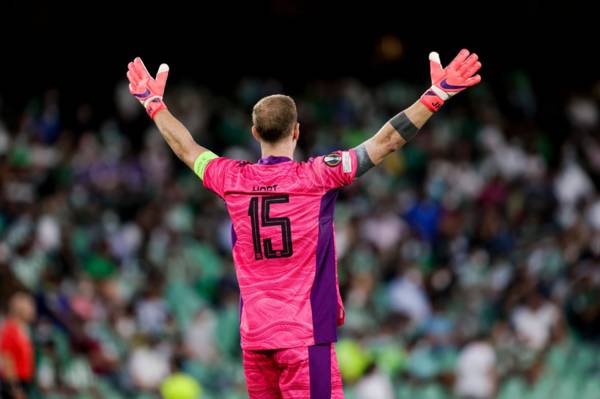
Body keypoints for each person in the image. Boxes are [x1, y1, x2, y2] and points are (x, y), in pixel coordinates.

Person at [126, 48, 481, 398]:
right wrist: (435, 96)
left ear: (254, 133)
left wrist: (153, 104)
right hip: (305, 337)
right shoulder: (318, 176)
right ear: (297, 131)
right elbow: (386, 141)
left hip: (256, 339)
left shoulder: (230, 178)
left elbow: (185, 147)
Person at [0, 292, 36, 399]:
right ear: (20, 309)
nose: (32, 310)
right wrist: (15, 388)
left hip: (25, 381)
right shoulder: (10, 329)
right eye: (29, 306)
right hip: (14, 384)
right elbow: (7, 359)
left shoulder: (24, 329)